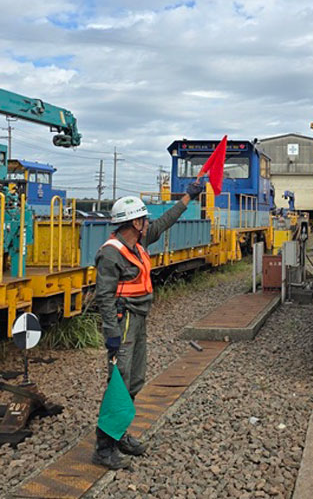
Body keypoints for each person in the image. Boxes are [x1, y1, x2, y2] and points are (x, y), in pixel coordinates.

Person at [92, 183, 204, 469]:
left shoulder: (138, 244)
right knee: (119, 380)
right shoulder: (111, 253)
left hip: (138, 318)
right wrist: (112, 335)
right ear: (134, 223)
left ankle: (119, 433)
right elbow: (103, 297)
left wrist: (188, 197)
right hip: (123, 321)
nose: (148, 223)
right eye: (143, 219)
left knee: (136, 378)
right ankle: (104, 448)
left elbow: (166, 222)